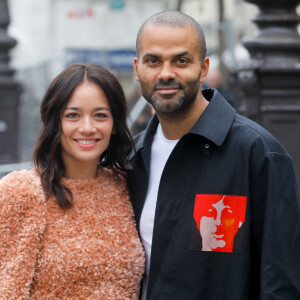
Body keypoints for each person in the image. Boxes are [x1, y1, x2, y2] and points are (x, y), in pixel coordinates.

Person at [128, 10, 300, 300]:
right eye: (153, 61)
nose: (166, 73)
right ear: (137, 69)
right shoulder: (130, 158)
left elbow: (281, 281)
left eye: (181, 61)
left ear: (203, 68)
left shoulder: (258, 153)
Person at [0, 63, 144, 299]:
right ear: (55, 123)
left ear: (114, 125)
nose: (87, 127)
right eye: (73, 115)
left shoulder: (125, 187)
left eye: (100, 115)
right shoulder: (22, 192)